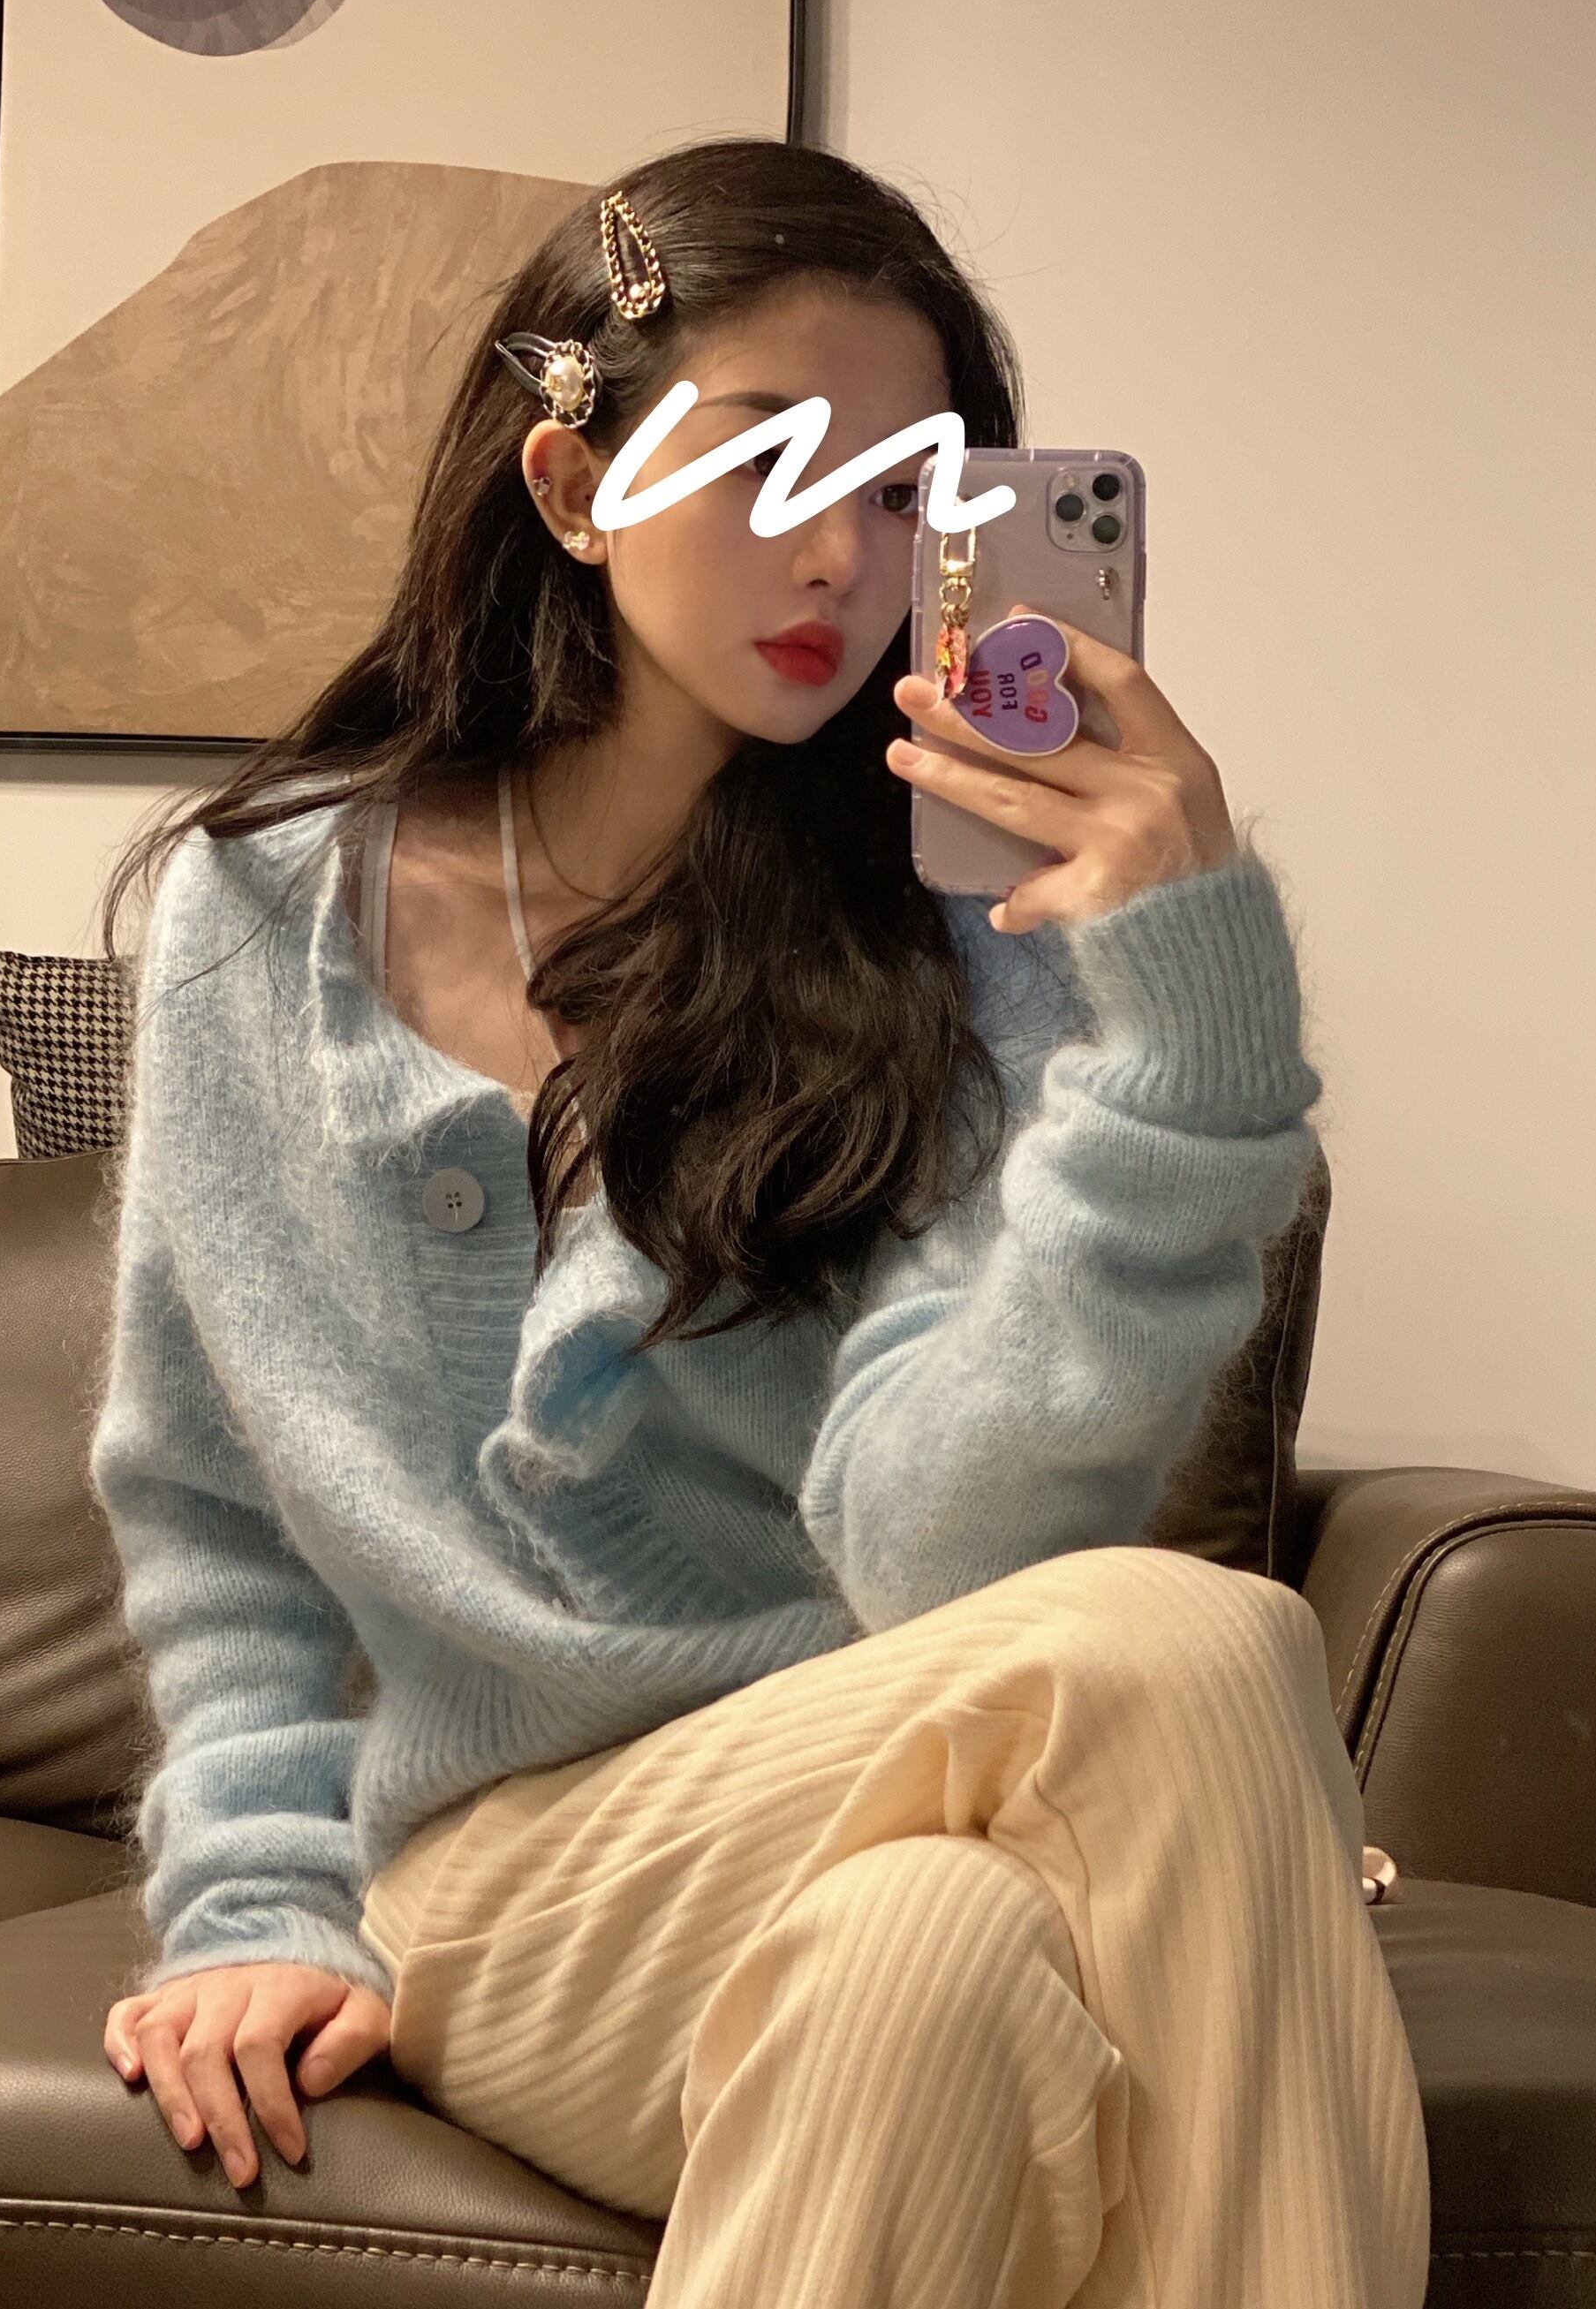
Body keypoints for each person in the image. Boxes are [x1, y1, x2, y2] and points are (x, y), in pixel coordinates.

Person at [87, 135, 1430, 2307]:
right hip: (503, 1875)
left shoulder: (959, 950)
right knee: (1209, 1653)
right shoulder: (267, 917)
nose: (835, 551)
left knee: (934, 1960)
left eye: (903, 491)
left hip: (878, 1790)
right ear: (571, 482)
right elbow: (211, 1508)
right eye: (761, 461)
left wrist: (1181, 1054)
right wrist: (253, 1894)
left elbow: (931, 1553)